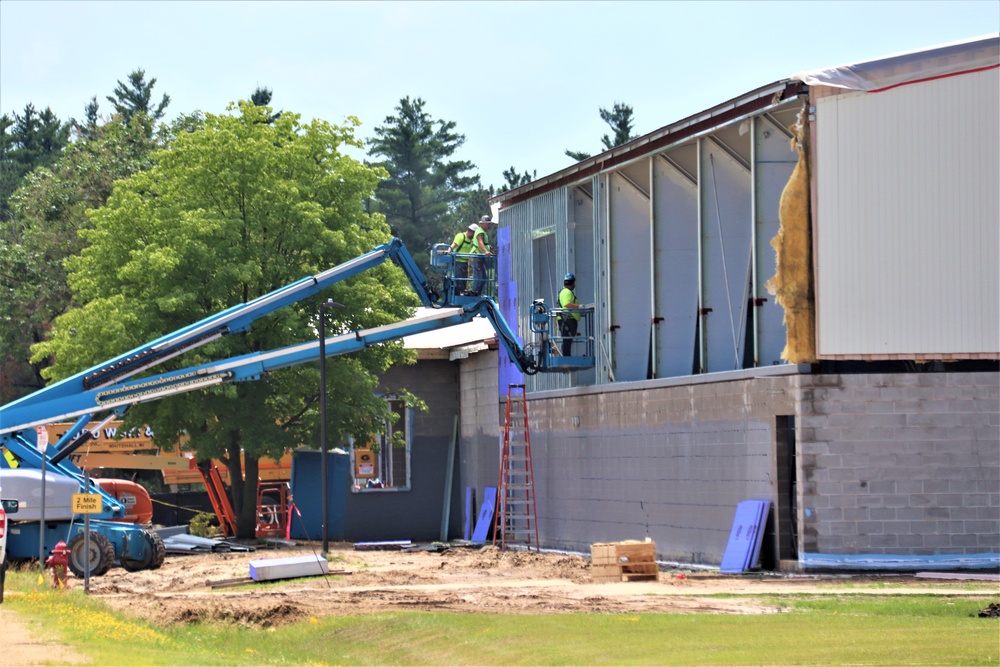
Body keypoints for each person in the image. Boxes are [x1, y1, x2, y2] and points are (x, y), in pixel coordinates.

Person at [446, 223, 478, 291]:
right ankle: (458, 294)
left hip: (466, 263)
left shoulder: (472, 240)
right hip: (457, 262)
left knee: (464, 281)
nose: (474, 236)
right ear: (471, 231)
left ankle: (463, 293)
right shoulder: (461, 236)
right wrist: (448, 251)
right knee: (459, 281)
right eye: (474, 234)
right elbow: (453, 245)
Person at [558, 273, 581, 356]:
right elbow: (567, 305)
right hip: (567, 320)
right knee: (567, 340)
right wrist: (580, 306)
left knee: (567, 340)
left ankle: (566, 355)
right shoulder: (567, 292)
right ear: (572, 283)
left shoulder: (564, 292)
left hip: (566, 319)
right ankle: (566, 356)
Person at [470, 215, 494, 296]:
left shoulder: (483, 232)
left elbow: (484, 243)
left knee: (483, 277)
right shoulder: (480, 231)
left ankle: (478, 293)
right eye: (487, 223)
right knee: (479, 277)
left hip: (479, 257)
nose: (489, 225)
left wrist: (488, 250)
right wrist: (486, 252)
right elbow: (480, 243)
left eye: (489, 223)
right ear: (482, 223)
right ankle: (474, 294)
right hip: (476, 257)